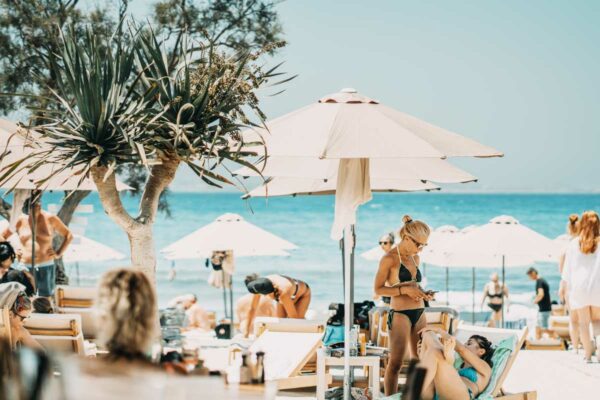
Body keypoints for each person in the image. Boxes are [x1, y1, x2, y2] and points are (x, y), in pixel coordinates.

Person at [373, 215, 434, 396]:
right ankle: (390, 398)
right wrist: (404, 291)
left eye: (424, 245)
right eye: (418, 244)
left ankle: (413, 396)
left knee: (419, 360)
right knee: (396, 363)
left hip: (420, 311)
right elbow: (378, 289)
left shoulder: (416, 258)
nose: (421, 249)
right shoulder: (389, 259)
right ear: (407, 238)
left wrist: (423, 293)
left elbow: (413, 285)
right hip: (400, 313)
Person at [0, 191, 73, 297]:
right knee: (22, 295)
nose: (35, 205)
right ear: (27, 204)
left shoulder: (50, 219)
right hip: (24, 265)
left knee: (45, 297)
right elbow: (2, 236)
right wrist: (14, 250)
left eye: (37, 202)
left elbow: (69, 235)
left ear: (40, 203)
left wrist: (59, 253)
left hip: (46, 264)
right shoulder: (20, 220)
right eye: (32, 203)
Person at [562, 210, 600, 362]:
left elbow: (567, 271)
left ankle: (587, 356)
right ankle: (598, 353)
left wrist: (565, 288)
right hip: (598, 286)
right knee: (597, 322)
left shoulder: (573, 244)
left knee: (583, 323)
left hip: (579, 288)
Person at [418, 327, 494, 400]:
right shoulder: (458, 365)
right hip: (436, 393)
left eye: (469, 343)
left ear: (481, 351)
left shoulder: (485, 367)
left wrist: (439, 331)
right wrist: (425, 357)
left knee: (437, 351)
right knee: (428, 334)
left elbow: (461, 350)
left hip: (461, 396)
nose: (464, 345)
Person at [243, 273, 311, 337]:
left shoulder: (282, 292)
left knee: (297, 324)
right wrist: (246, 331)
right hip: (286, 293)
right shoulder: (259, 285)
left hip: (302, 294)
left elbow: (293, 318)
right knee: (280, 325)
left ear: (271, 292)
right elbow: (252, 308)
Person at [558, 214, 581, 352]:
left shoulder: (566, 247)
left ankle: (576, 346)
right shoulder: (588, 244)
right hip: (586, 284)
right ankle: (587, 342)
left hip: (570, 286)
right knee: (587, 317)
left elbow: (562, 271)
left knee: (573, 318)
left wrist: (562, 287)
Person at [0, 282, 42, 350]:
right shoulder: (17, 330)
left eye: (27, 318)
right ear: (10, 314)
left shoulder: (17, 329)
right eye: (23, 318)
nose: (25, 322)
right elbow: (41, 352)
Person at [526, 267, 552, 338]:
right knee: (538, 327)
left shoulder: (539, 282)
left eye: (530, 276)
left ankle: (558, 337)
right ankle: (537, 343)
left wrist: (534, 301)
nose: (530, 278)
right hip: (546, 308)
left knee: (543, 328)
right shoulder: (543, 280)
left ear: (533, 273)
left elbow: (541, 294)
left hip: (544, 309)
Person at [375, 233, 395, 304]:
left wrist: (377, 292)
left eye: (385, 243)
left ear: (391, 244)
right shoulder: (385, 257)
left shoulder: (392, 257)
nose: (382, 245)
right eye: (380, 243)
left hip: (391, 292)